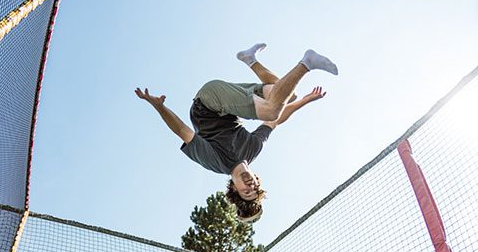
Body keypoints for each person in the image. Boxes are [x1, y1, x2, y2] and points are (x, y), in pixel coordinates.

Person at [135, 45, 338, 223]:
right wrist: (304, 100)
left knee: (272, 107)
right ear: (258, 182)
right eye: (254, 189)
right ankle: (250, 59)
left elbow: (183, 131)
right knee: (286, 95)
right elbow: (275, 121)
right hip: (229, 104)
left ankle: (307, 62)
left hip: (208, 103)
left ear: (234, 187)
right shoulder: (253, 149)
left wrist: (158, 107)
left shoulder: (217, 163)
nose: (250, 186)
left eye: (245, 191)